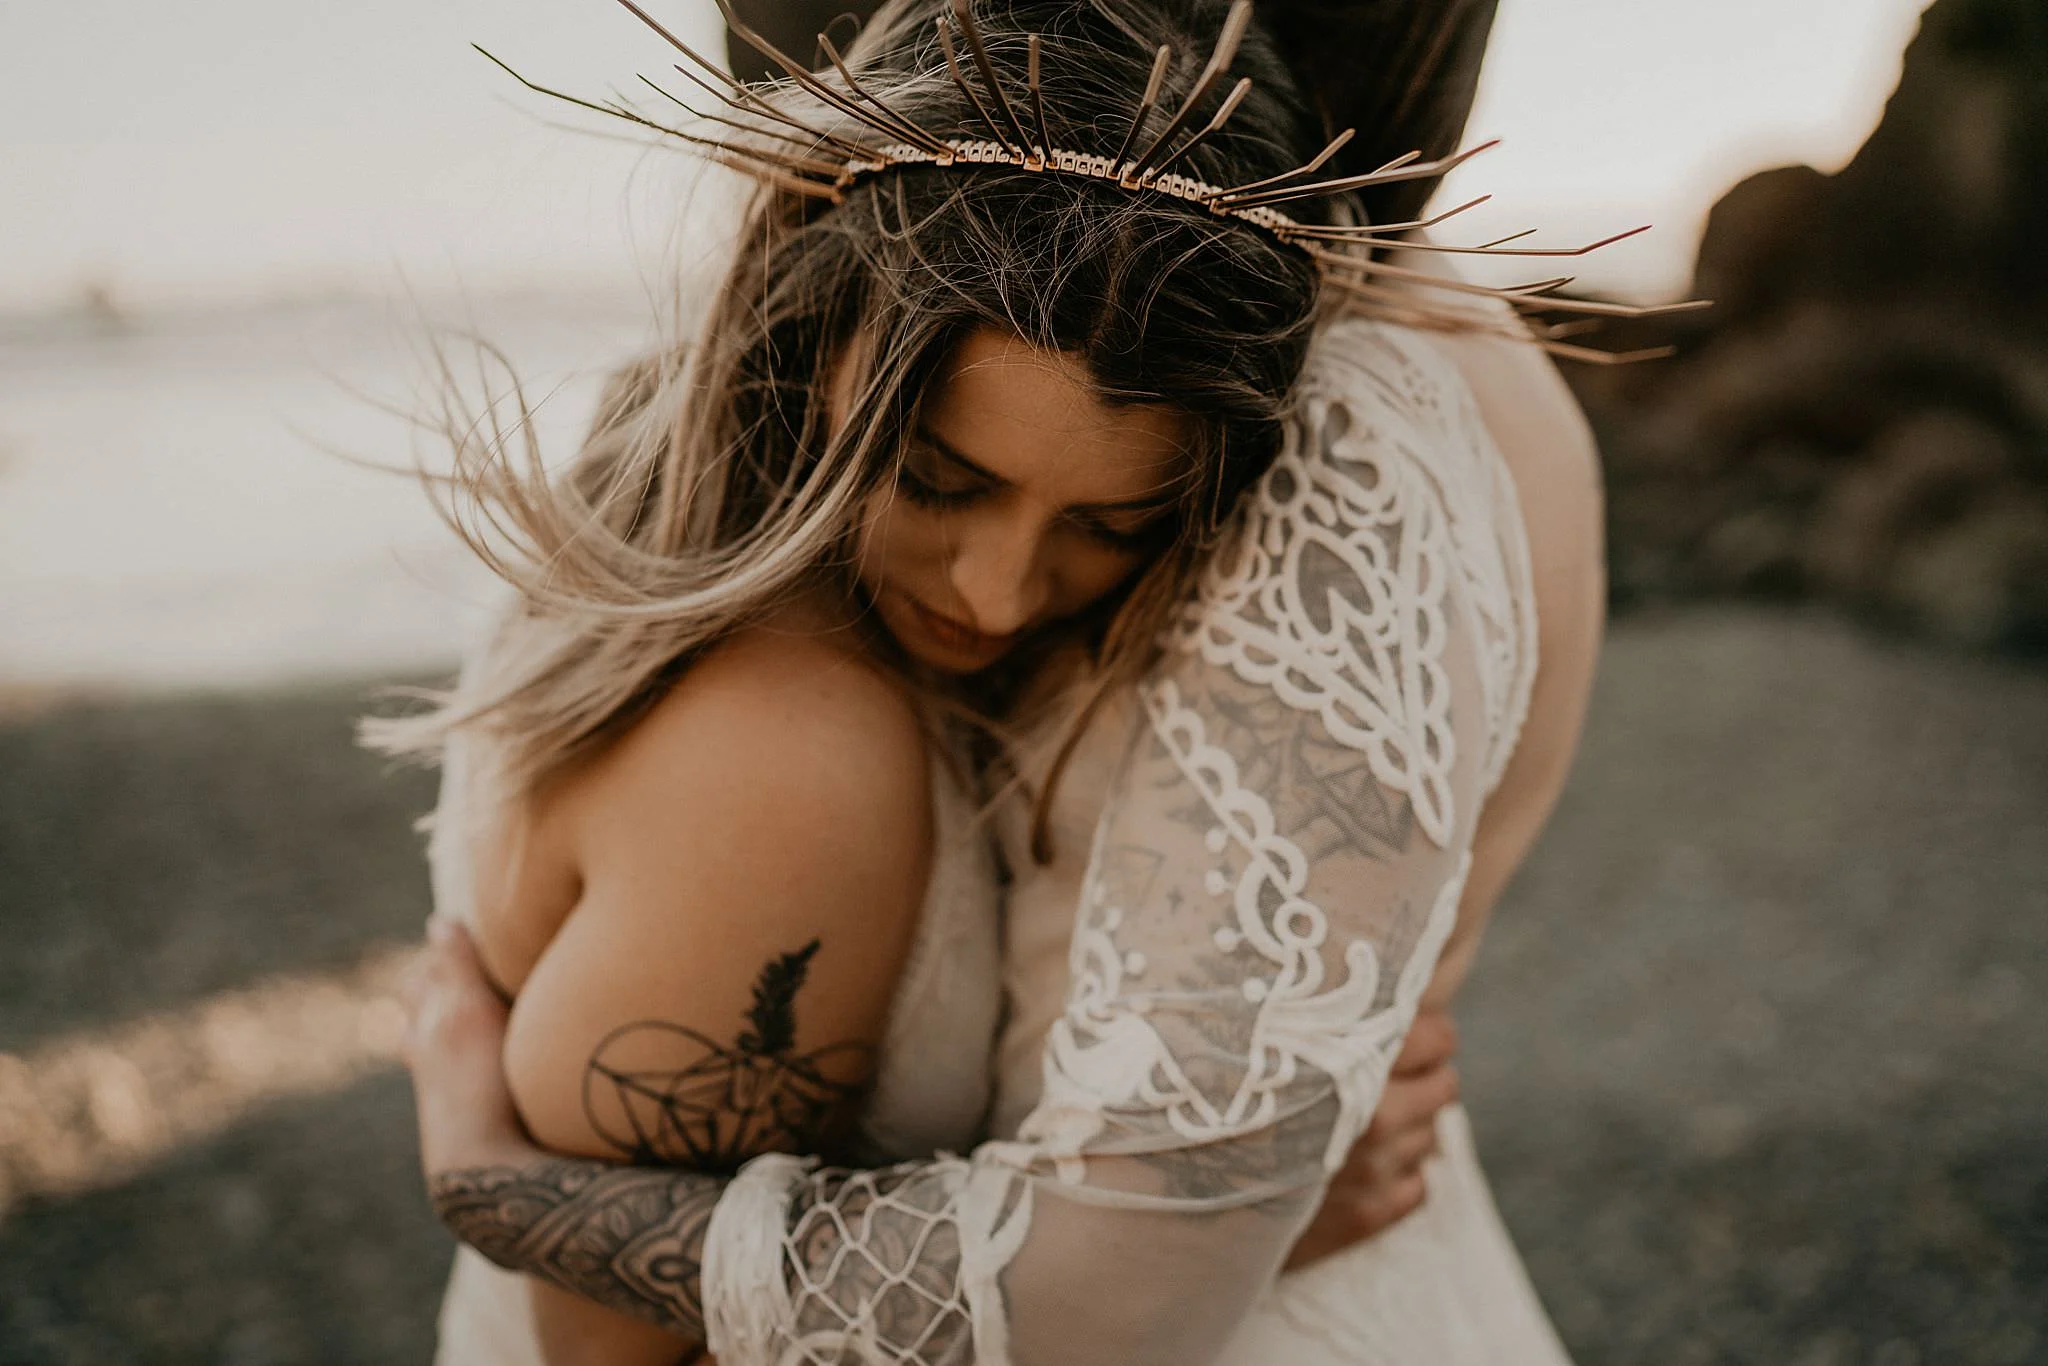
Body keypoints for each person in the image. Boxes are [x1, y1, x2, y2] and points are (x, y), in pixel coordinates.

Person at [388, 0, 1626, 1360]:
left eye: (1112, 526)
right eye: (937, 481)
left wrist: (1193, 1230)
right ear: (816, 322)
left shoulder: (1326, 394)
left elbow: (1152, 1227)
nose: (998, 592)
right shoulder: (778, 747)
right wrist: (1188, 1238)